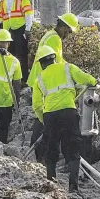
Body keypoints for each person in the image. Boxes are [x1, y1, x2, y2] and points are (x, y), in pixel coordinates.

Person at [32, 45, 97, 192]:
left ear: (41, 63)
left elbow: (36, 105)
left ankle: (51, 186)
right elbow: (88, 79)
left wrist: (44, 121)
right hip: (68, 112)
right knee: (73, 150)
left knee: (51, 150)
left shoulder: (39, 78)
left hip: (50, 115)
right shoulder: (68, 68)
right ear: (54, 58)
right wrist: (93, 82)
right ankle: (73, 187)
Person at [27, 12, 78, 165]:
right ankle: (38, 153)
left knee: (44, 116)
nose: (68, 35)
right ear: (63, 26)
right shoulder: (55, 38)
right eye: (68, 31)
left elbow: (57, 60)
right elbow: (55, 62)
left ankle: (39, 152)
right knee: (45, 117)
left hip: (40, 79)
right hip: (44, 81)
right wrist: (72, 73)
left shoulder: (49, 35)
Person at [0, 0, 34, 84]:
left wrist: (28, 28)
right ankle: (12, 78)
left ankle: (24, 78)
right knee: (9, 54)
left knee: (22, 54)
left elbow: (28, 13)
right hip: (8, 31)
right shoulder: (2, 1)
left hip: (20, 30)